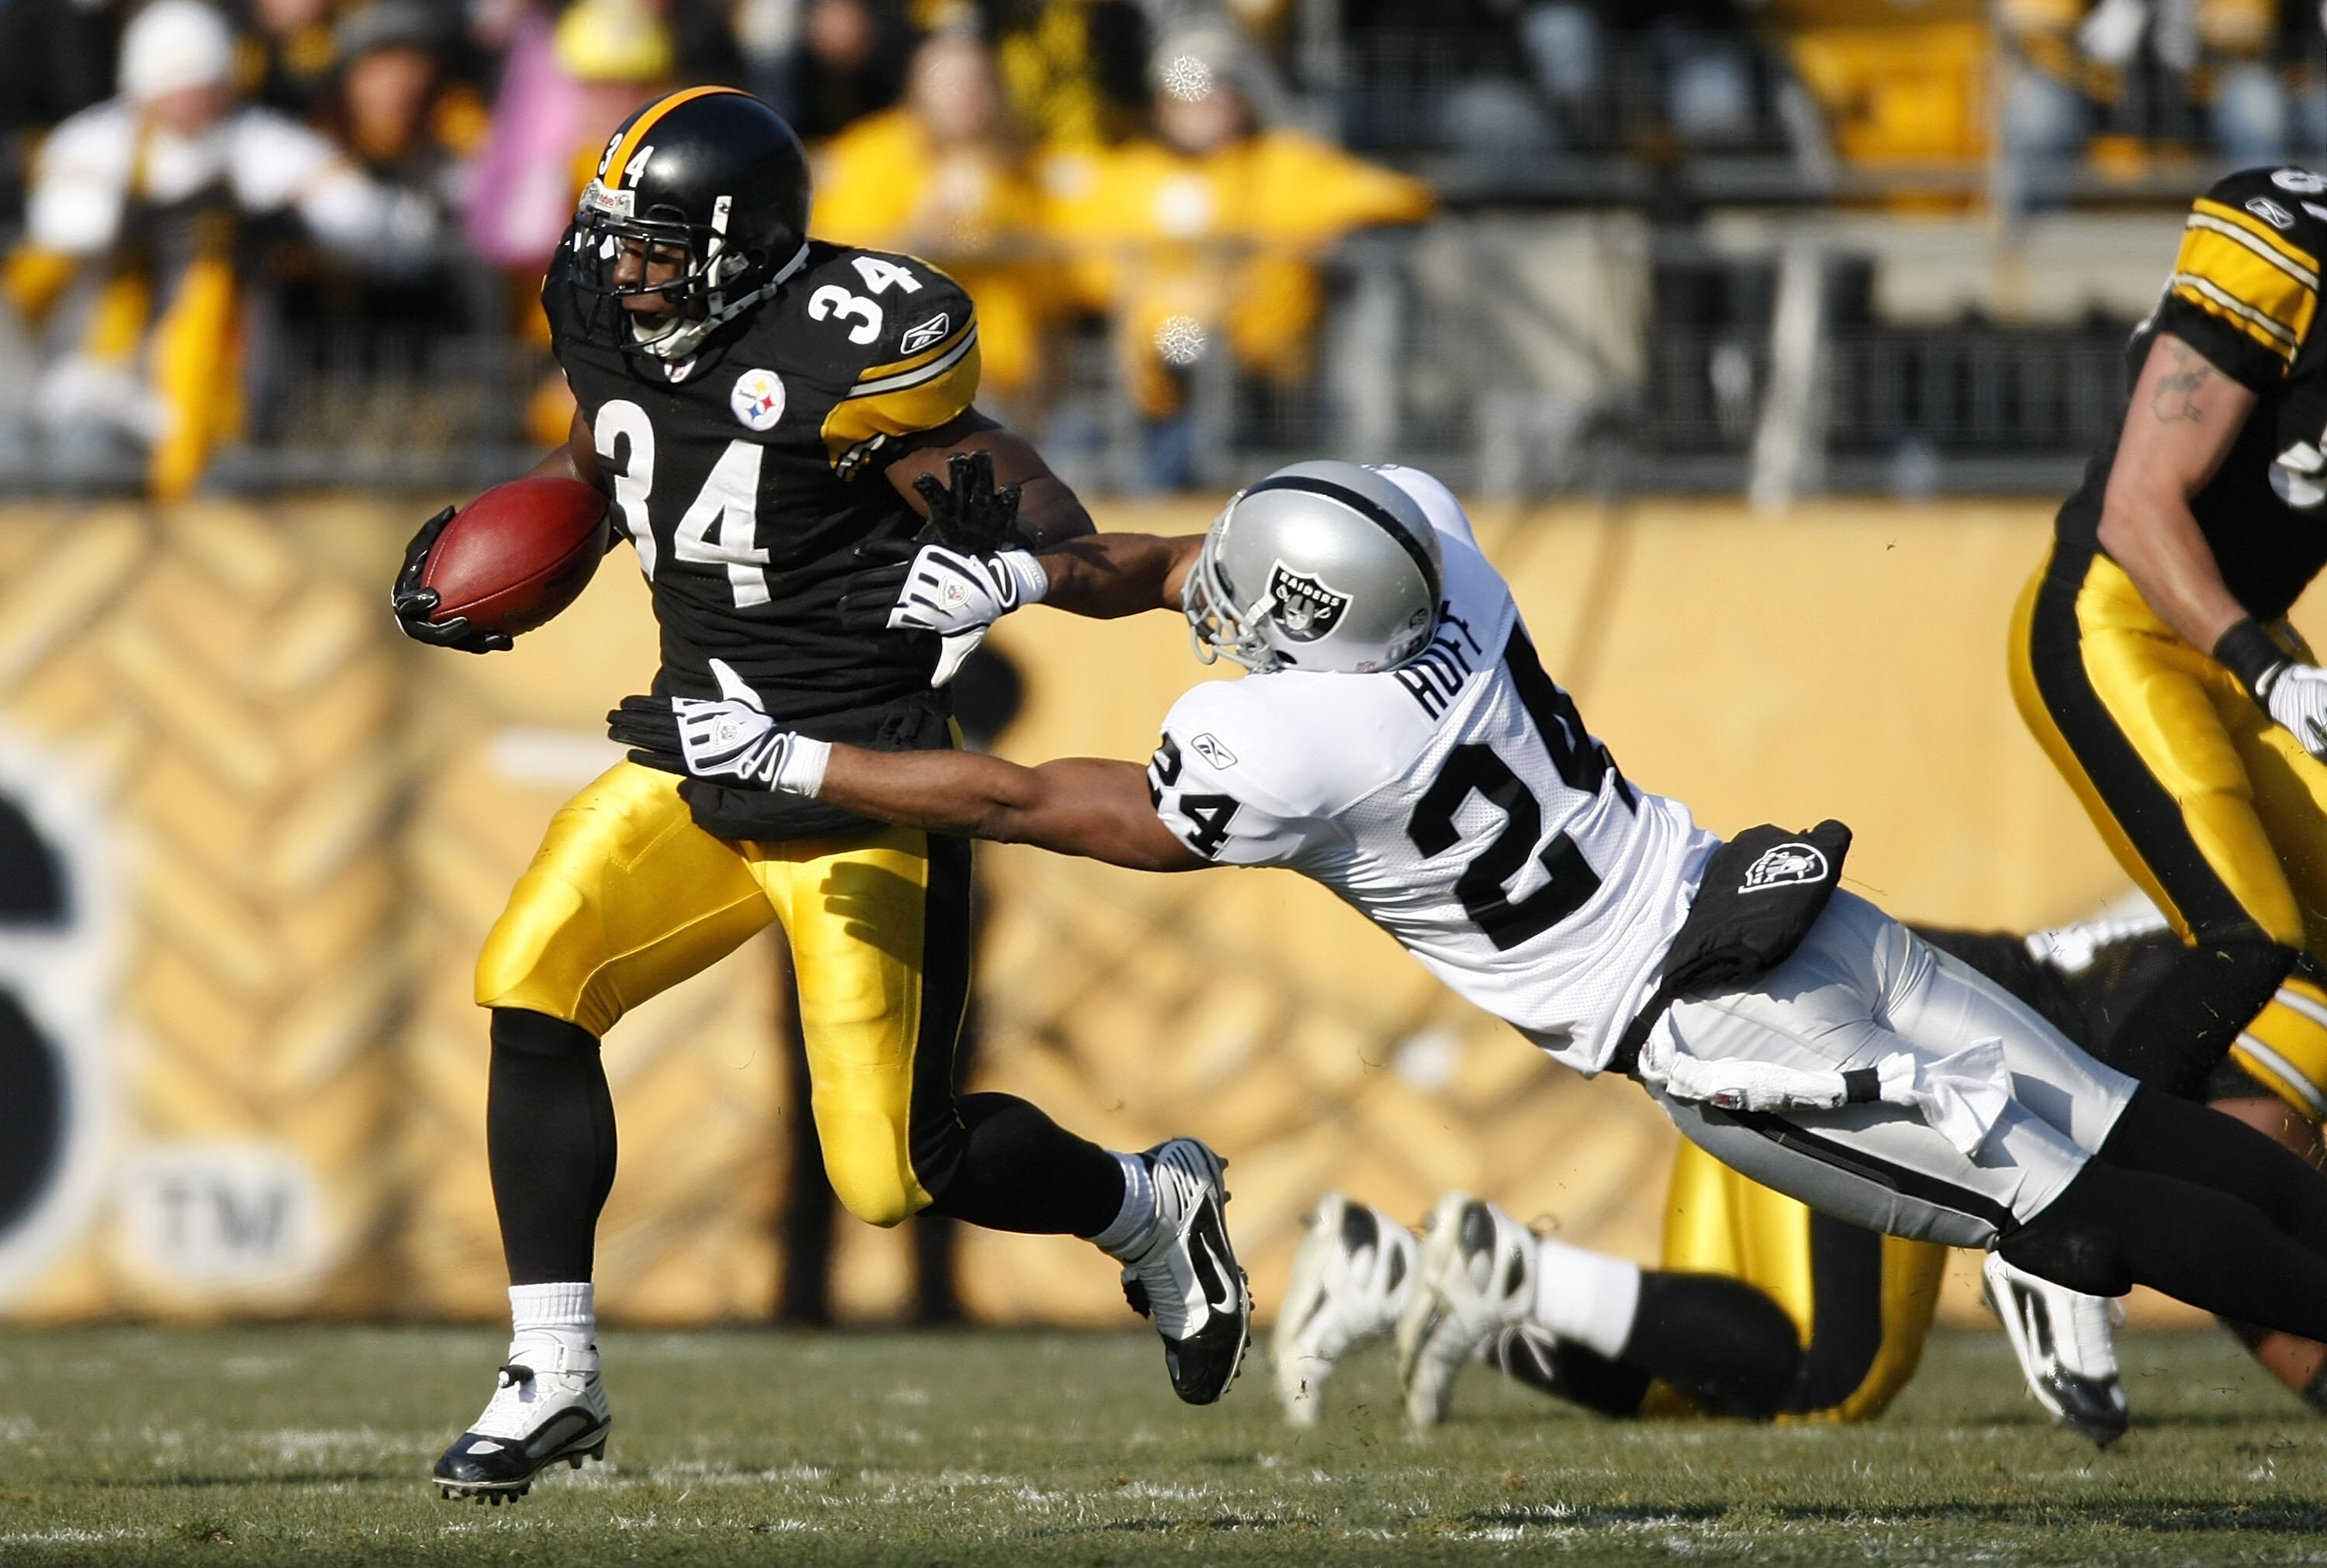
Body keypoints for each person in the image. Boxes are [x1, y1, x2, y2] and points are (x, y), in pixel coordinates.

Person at [613, 458, 2327, 1433]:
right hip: (1781, 903)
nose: (1206, 604)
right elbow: (1213, 566)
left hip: (1717, 1031)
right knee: (2137, 1126)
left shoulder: (1291, 748)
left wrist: (800, 761)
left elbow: (1019, 796)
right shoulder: (1443, 557)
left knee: (2090, 1230)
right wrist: (1042, 574)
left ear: (1301, 632)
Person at [392, 86, 1248, 1505]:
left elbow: (1045, 522)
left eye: (656, 244)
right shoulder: (606, 316)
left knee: (896, 1171)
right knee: (533, 985)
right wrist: (520, 542)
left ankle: (1150, 1203)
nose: (624, 268)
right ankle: (552, 1370)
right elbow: (619, 457)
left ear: (743, 247)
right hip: (695, 753)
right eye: (614, 236)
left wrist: (1018, 565)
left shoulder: (858, 353)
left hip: (862, 778)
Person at [1271, 918, 2327, 1445]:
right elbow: (2221, 1145)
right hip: (1878, 1069)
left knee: (1716, 1378)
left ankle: (1424, 1278)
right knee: (1832, 1380)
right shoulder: (2284, 976)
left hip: (1786, 1032)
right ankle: (1517, 1280)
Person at [2010, 164, 2327, 1105]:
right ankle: (2066, 1223)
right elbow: (2137, 510)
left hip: (2251, 651)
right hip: (2122, 618)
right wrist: (2268, 673)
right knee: (2250, 933)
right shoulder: (2289, 244)